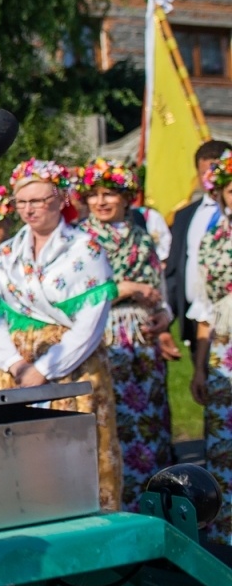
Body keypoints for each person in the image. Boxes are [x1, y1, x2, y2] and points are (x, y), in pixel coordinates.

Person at [0, 160, 121, 511]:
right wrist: (14, 363)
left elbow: (91, 323)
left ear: (60, 200)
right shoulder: (7, 253)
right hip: (16, 366)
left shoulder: (85, 249)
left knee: (73, 458)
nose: (29, 209)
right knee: (18, 456)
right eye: (22, 202)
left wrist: (45, 369)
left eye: (38, 200)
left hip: (69, 367)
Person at [75, 159, 175, 510]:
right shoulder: (79, 239)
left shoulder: (140, 234)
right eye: (95, 195)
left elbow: (157, 287)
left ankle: (154, 500)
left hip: (141, 339)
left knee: (148, 418)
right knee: (111, 416)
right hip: (102, 331)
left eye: (110, 195)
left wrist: (162, 315)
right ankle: (118, 502)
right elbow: (80, 290)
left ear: (126, 197)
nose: (101, 202)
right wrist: (130, 287)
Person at [190, 154, 232, 542]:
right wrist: (200, 367)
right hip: (224, 345)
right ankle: (226, 536)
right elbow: (203, 308)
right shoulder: (213, 239)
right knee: (223, 441)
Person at [166, 139, 232, 351]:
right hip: (200, 318)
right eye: (205, 172)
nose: (210, 178)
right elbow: (175, 269)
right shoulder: (186, 215)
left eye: (216, 171)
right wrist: (168, 318)